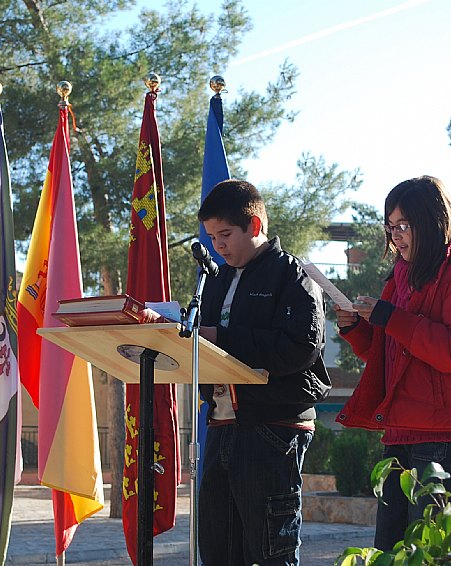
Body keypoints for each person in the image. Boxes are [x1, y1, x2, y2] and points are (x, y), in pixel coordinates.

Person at [333, 175, 451, 550]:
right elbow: (390, 356)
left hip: (446, 430)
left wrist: (390, 318)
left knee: (429, 549)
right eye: (390, 226)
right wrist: (357, 331)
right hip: (402, 427)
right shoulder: (400, 277)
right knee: (390, 549)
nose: (395, 236)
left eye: (403, 225)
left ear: (432, 222)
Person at [196, 179, 331, 566]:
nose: (218, 245)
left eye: (225, 234)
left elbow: (298, 348)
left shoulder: (292, 276)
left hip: (272, 427)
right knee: (220, 549)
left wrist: (220, 336)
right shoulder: (215, 280)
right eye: (211, 237)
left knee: (271, 551)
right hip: (221, 426)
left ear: (255, 227)